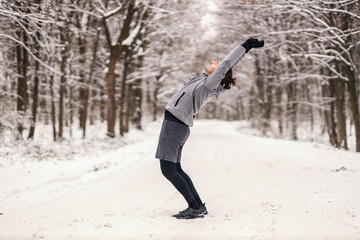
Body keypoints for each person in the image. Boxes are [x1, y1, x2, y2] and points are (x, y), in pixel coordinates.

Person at [155, 38, 265, 219]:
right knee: (176, 169)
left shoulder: (209, 84)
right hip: (177, 125)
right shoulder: (204, 82)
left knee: (168, 170)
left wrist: (246, 46)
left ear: (220, 74)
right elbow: (225, 66)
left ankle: (194, 207)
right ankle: (198, 206)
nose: (215, 62)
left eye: (218, 64)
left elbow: (228, 62)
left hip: (175, 125)